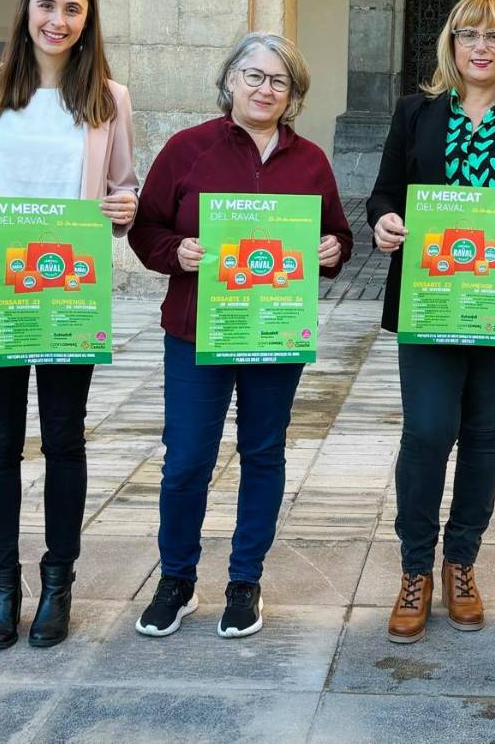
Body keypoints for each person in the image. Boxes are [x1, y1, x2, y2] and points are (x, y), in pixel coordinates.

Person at [128, 32, 352, 639]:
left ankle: (245, 580)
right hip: (197, 331)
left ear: (294, 95)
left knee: (262, 453)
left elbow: (336, 236)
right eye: (254, 76)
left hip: (274, 332)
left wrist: (332, 250)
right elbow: (145, 231)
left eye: (279, 81)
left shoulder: (309, 161)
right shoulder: (188, 149)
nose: (265, 89)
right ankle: (176, 578)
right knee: (187, 460)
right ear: (229, 80)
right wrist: (180, 251)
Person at [368, 0, 495, 644]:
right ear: (451, 44)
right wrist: (384, 222)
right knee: (427, 431)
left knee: (484, 434)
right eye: (470, 35)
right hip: (430, 300)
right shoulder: (415, 113)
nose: (482, 47)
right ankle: (415, 569)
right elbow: (386, 191)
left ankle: (461, 564)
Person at [0, 0, 139, 650]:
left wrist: (126, 208)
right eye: (48, 5)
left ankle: (59, 582)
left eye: (73, 10)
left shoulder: (108, 98)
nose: (58, 20)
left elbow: (126, 192)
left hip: (71, 296)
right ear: (26, 9)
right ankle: (3, 587)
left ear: (86, 22)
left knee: (65, 441)